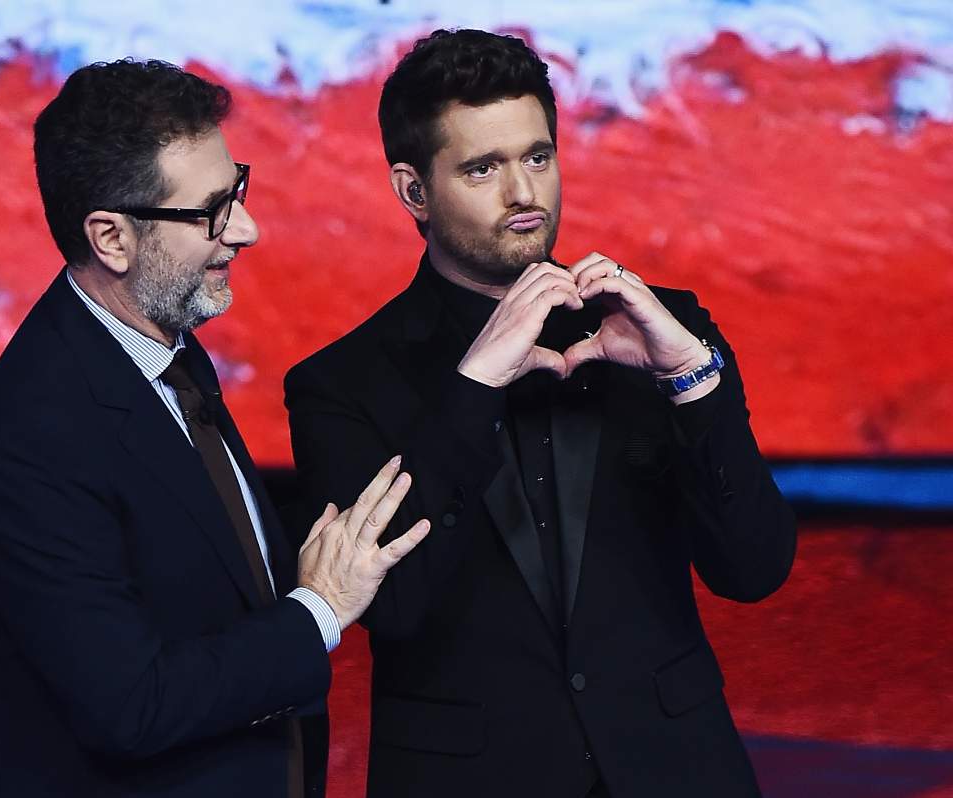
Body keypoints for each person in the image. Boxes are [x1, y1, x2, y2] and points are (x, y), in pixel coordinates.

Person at [284, 29, 796, 798]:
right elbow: (390, 608)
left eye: (538, 157)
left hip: (675, 770)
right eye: (483, 168)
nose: (525, 193)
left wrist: (693, 379)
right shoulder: (339, 383)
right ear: (412, 190)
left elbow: (754, 569)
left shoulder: (658, 329)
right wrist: (475, 386)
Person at [0, 59, 429, 798]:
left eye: (238, 191)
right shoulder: (26, 441)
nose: (248, 229)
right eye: (211, 211)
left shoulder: (162, 347)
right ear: (111, 238)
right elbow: (132, 707)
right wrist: (320, 610)